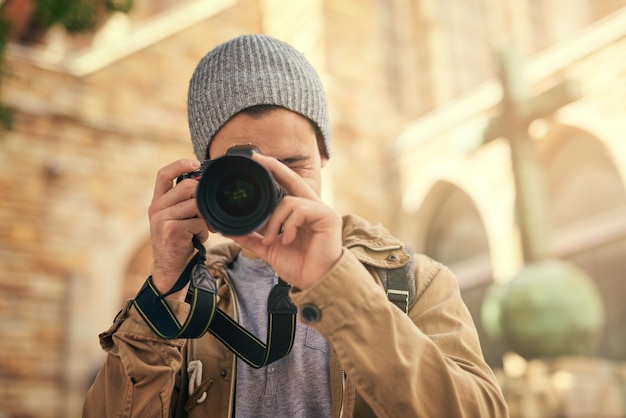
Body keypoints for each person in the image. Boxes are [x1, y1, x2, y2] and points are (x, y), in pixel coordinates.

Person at [83, 34, 509, 417]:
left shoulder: (414, 281)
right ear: (203, 178)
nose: (272, 190)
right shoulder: (186, 301)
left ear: (323, 158)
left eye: (291, 166)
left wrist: (337, 283)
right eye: (245, 172)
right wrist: (164, 293)